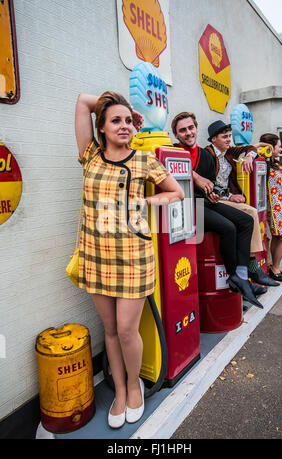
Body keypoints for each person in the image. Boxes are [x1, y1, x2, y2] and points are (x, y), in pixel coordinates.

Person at [75, 91, 184, 429]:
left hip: (134, 256)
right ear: (102, 128)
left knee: (126, 330)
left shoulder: (143, 159)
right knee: (108, 329)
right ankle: (120, 391)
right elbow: (82, 101)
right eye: (115, 121)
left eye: (127, 121)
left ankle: (134, 384)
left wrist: (149, 205)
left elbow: (176, 192)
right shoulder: (90, 155)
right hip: (95, 255)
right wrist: (128, 106)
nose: (124, 126)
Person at [171, 112, 265, 309]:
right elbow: (165, 165)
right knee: (228, 227)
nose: (188, 133)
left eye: (191, 128)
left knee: (246, 220)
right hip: (185, 207)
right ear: (176, 135)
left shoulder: (205, 155)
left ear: (196, 128)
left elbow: (211, 184)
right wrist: (196, 177)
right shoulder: (173, 151)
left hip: (204, 202)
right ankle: (234, 276)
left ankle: (241, 275)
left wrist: (213, 193)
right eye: (182, 130)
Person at [204, 120, 279, 288]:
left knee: (249, 215)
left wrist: (250, 158)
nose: (228, 139)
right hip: (216, 200)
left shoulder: (229, 152)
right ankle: (250, 270)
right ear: (213, 139)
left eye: (230, 136)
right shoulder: (207, 155)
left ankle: (247, 273)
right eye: (225, 137)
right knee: (250, 214)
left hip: (228, 199)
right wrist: (230, 196)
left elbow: (249, 148)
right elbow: (207, 184)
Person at [259, 133, 282, 282]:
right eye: (279, 146)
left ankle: (275, 267)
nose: (281, 149)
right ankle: (275, 267)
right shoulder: (263, 161)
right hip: (275, 207)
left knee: (277, 237)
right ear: (270, 147)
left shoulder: (274, 163)